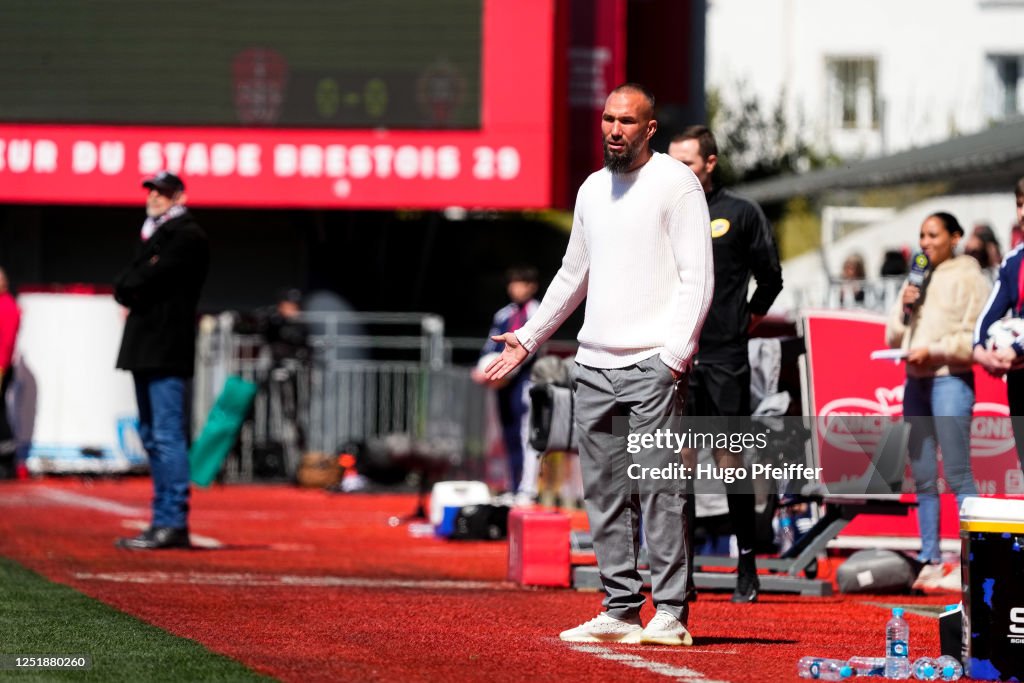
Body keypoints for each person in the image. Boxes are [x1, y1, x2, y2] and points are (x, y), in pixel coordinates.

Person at [485, 84, 713, 645]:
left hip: (653, 365)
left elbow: (698, 277)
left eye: (627, 121)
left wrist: (674, 355)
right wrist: (528, 339)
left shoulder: (676, 184)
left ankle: (671, 614)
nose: (614, 129)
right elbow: (572, 276)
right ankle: (618, 607)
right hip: (594, 367)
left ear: (649, 129)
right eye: (608, 119)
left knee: (659, 490)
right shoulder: (591, 190)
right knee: (606, 493)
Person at [667, 126, 783, 603]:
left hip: (725, 357)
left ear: (710, 164)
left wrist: (743, 323)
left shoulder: (740, 212)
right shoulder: (662, 212)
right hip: (674, 355)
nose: (678, 173)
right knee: (680, 467)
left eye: (687, 164)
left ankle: (747, 564)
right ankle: (682, 573)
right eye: (672, 163)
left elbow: (771, 278)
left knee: (729, 461)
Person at [885, 212, 989, 589]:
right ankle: (929, 557)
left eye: (933, 235)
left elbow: (977, 335)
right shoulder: (917, 276)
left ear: (955, 237)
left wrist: (936, 349)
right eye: (921, 236)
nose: (925, 242)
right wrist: (905, 307)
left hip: (950, 380)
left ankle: (977, 559)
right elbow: (892, 335)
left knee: (958, 473)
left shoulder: (970, 275)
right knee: (924, 477)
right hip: (916, 382)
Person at [114, 171, 209, 550]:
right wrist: (138, 276)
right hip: (147, 346)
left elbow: (142, 282)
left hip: (167, 345)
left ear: (179, 196)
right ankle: (161, 519)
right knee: (152, 434)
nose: (154, 196)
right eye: (152, 190)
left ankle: (172, 520)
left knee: (167, 435)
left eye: (163, 191)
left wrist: (138, 278)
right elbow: (128, 284)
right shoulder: (154, 234)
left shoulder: (187, 235)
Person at [472, 266, 540, 500]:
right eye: (512, 283)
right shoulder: (503, 315)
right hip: (502, 384)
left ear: (532, 286)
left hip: (526, 382)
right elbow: (489, 347)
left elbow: (532, 349)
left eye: (521, 283)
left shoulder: (537, 313)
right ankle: (512, 486)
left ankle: (527, 489)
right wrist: (482, 368)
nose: (515, 288)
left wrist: (506, 371)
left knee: (526, 434)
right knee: (508, 433)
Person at [972, 176, 1024, 472]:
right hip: (1019, 379)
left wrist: (1017, 348)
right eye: (1019, 204)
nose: (1023, 212)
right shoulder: (1014, 261)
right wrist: (980, 349)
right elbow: (988, 316)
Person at [0, 268, 21, 477]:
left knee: (0, 415)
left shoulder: (6, 306)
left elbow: (6, 342)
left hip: (1, 366)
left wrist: (2, 366)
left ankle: (6, 461)